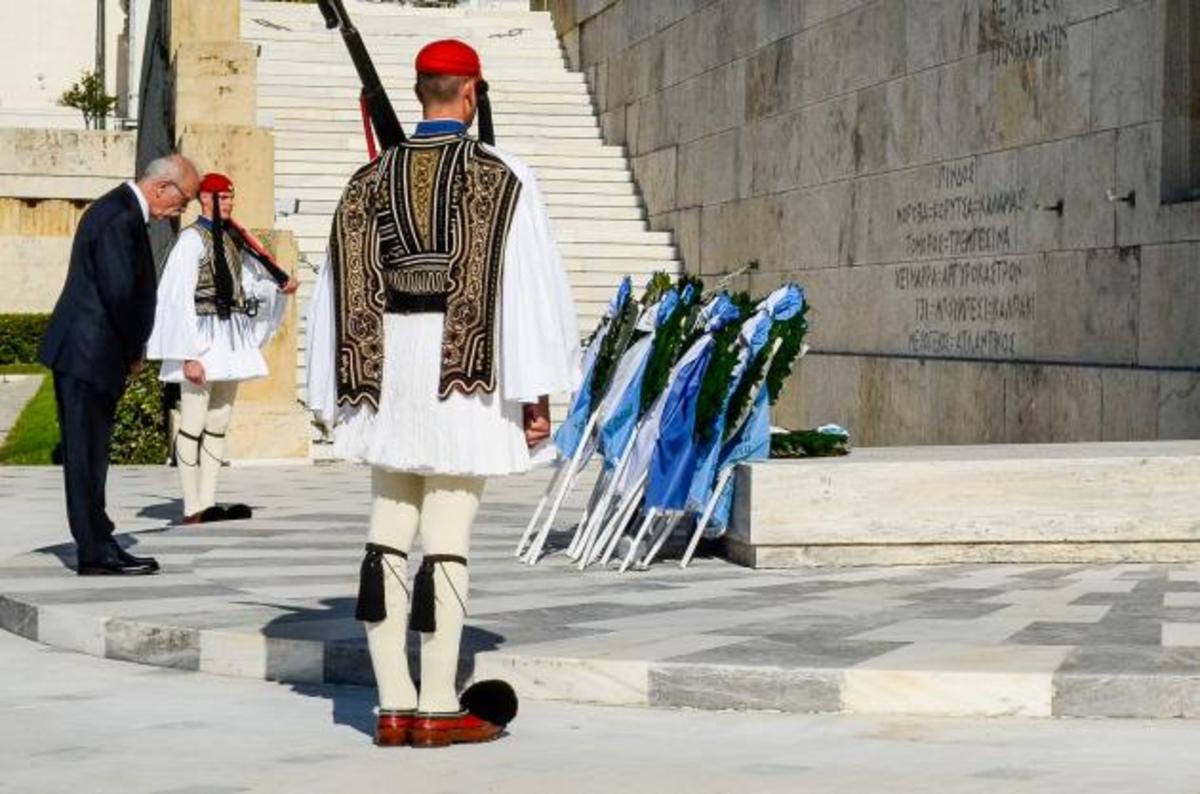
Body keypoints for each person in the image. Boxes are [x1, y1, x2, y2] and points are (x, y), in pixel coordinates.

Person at [307, 39, 579, 747]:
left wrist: (336, 389)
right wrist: (539, 393)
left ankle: (390, 705)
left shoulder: (367, 178)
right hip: (466, 376)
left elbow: (337, 293)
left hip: (387, 376)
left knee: (387, 535)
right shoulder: (504, 175)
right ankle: (434, 706)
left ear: (421, 89)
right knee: (447, 537)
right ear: (472, 93)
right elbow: (529, 288)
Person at [39, 153, 200, 576]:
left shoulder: (121, 209)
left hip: (92, 351)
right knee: (85, 453)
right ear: (163, 186)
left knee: (93, 452)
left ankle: (100, 538)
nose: (181, 209)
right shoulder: (119, 216)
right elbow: (121, 293)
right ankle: (94, 550)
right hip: (88, 352)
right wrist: (134, 349)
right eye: (183, 200)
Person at [146, 173, 298, 524]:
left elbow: (247, 285)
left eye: (231, 198)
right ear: (205, 200)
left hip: (230, 338)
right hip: (200, 338)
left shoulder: (231, 240)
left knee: (218, 421)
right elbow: (176, 299)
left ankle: (208, 501)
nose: (229, 204)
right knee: (193, 422)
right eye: (223, 198)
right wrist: (188, 353)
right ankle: (191, 507)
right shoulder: (190, 241)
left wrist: (278, 288)